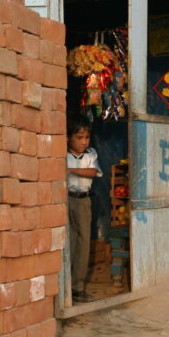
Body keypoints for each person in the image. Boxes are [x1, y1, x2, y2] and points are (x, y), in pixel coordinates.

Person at [67, 115, 103, 303]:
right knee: (68, 241)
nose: (83, 142)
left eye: (86, 137)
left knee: (83, 242)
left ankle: (77, 287)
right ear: (68, 138)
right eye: (79, 137)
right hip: (66, 200)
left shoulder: (90, 154)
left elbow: (93, 172)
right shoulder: (62, 154)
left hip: (83, 201)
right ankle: (64, 285)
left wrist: (71, 170)